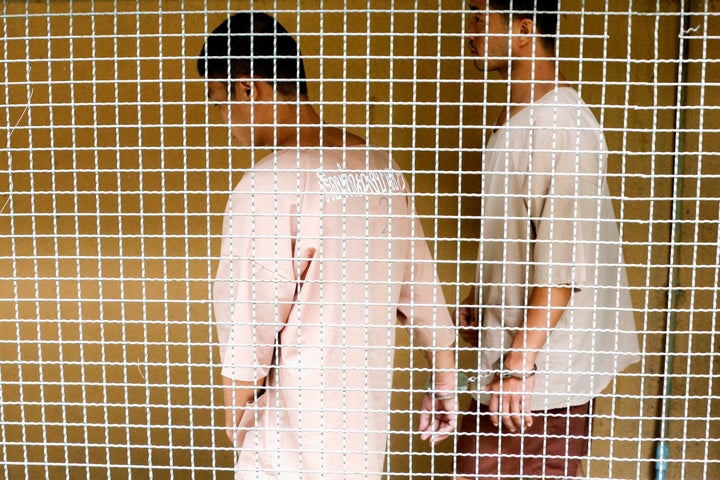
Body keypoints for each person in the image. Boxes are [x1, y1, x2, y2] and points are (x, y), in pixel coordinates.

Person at [198, 12, 457, 480]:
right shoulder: (379, 168)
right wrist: (443, 378)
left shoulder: (267, 183)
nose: (224, 120)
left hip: (288, 441)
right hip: (361, 436)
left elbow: (247, 325)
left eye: (219, 102)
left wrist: (238, 425)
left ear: (247, 89)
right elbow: (420, 286)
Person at [455, 0, 640, 478]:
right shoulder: (516, 120)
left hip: (538, 380)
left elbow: (564, 263)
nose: (469, 30)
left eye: (479, 16)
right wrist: (479, 302)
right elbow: (518, 233)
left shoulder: (562, 125)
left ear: (522, 29)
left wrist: (520, 363)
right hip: (504, 362)